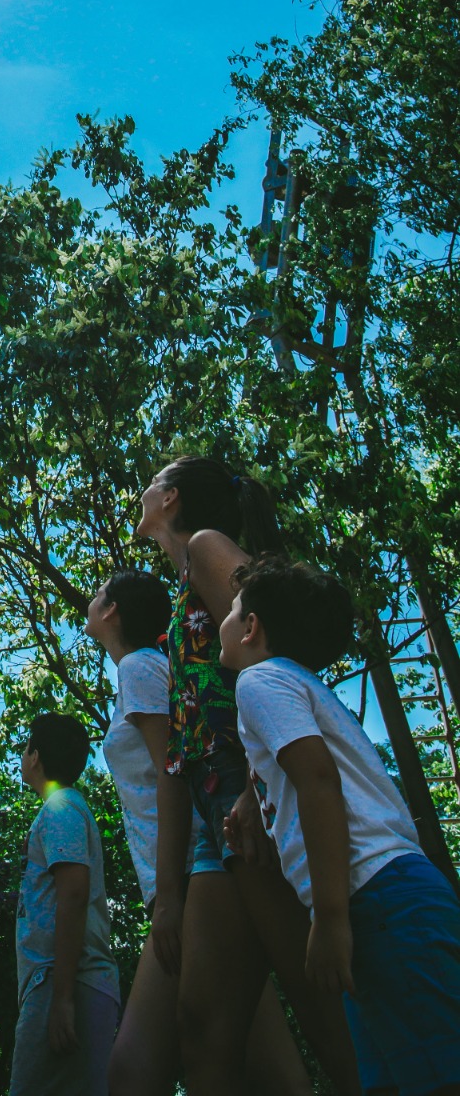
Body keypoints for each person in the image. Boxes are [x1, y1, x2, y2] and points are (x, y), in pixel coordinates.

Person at [138, 455, 360, 1096]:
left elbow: (273, 645)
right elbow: (182, 744)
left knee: (321, 1000)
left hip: (244, 793)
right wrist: (171, 888)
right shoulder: (183, 580)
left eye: (151, 483)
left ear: (170, 498)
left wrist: (249, 789)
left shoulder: (207, 547)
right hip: (213, 809)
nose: (142, 493)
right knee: (201, 1026)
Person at [221, 554, 460, 1096]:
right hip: (386, 899)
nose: (227, 618)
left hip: (374, 901)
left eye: (233, 610)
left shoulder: (258, 681)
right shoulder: (300, 685)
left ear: (252, 627)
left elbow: (318, 781)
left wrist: (328, 919)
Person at [87, 569, 311, 1096]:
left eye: (100, 595)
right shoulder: (144, 668)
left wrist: (169, 897)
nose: (92, 601)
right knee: (266, 1066)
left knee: (133, 1070)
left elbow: (176, 770)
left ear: (112, 611)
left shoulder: (139, 667)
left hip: (192, 876)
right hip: (192, 874)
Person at [12, 711, 120, 1096]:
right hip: (66, 984)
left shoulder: (60, 809)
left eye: (26, 747)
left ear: (36, 756)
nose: (23, 755)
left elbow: (73, 893)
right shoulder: (63, 810)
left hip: (66, 982)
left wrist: (61, 998)